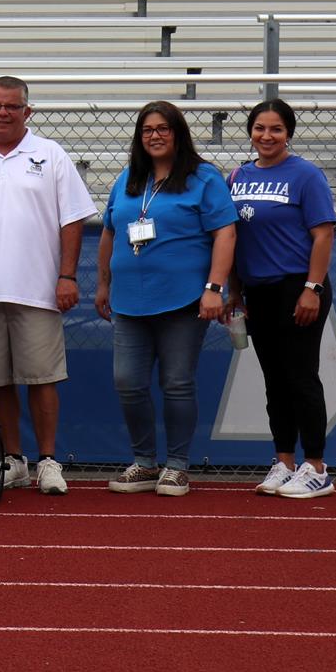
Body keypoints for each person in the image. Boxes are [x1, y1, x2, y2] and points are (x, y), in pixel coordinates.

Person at [0, 76, 97, 495]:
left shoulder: (51, 154)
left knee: (42, 378)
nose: (4, 113)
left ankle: (48, 460)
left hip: (38, 289)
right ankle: (14, 460)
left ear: (28, 111)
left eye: (13, 106)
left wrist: (66, 276)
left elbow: (73, 218)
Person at [95, 100, 238, 498]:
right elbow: (109, 232)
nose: (154, 136)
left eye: (163, 129)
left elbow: (225, 233)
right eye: (147, 130)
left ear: (178, 134)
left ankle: (177, 466)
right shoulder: (128, 178)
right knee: (128, 383)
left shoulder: (204, 178)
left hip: (183, 302)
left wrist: (214, 287)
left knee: (176, 383)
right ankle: (144, 463)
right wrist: (103, 283)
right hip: (127, 302)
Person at [229, 97, 336, 499]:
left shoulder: (306, 175)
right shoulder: (237, 176)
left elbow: (323, 234)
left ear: (288, 132)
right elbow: (233, 238)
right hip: (258, 292)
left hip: (299, 288)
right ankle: (284, 461)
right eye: (260, 128)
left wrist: (312, 288)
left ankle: (316, 466)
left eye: (276, 129)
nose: (267, 136)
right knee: (275, 380)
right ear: (251, 132)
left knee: (300, 376)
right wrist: (236, 291)